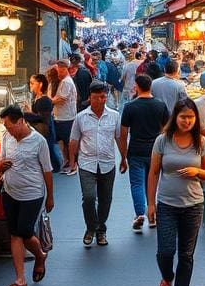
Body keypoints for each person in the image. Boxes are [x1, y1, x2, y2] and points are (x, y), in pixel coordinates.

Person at [147, 99, 205, 286]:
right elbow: (154, 172)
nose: (187, 121)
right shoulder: (162, 141)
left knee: (186, 255)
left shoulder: (202, 143)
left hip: (194, 205)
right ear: (175, 117)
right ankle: (167, 277)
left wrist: (197, 171)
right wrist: (150, 203)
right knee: (165, 252)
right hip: (167, 204)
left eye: (191, 117)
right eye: (183, 117)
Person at [0, 105, 54, 286]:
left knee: (26, 232)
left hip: (33, 193)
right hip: (10, 191)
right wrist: (0, 165)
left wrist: (50, 196)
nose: (7, 130)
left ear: (20, 121)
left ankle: (40, 255)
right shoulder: (6, 138)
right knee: (15, 234)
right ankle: (20, 279)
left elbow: (47, 170)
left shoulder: (38, 141)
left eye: (9, 126)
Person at [69, 81, 126, 246]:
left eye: (103, 97)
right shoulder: (81, 117)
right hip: (86, 163)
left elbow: (119, 138)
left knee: (105, 199)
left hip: (108, 163)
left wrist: (124, 157)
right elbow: (74, 140)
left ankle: (101, 230)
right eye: (96, 97)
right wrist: (72, 161)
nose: (100, 100)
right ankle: (91, 227)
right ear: (90, 98)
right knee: (88, 197)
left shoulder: (114, 116)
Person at [120, 75, 170, 231]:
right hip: (155, 151)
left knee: (137, 183)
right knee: (153, 183)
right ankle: (152, 214)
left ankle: (140, 213)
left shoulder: (130, 107)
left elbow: (123, 133)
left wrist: (123, 156)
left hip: (135, 150)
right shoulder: (160, 105)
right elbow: (166, 130)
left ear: (137, 86)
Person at [25, 73, 61, 173]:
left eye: (32, 83)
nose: (30, 85)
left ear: (40, 84)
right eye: (30, 83)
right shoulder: (37, 98)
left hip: (45, 131)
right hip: (41, 130)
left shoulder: (44, 100)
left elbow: (43, 118)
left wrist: (26, 114)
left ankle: (54, 168)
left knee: (49, 152)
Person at [50, 59, 78, 175]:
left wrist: (49, 102)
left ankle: (73, 165)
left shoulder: (66, 82)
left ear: (65, 69)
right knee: (64, 143)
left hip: (66, 117)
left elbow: (62, 99)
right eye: (58, 71)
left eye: (61, 71)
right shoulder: (64, 81)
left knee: (68, 143)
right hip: (62, 116)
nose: (59, 73)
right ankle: (68, 163)